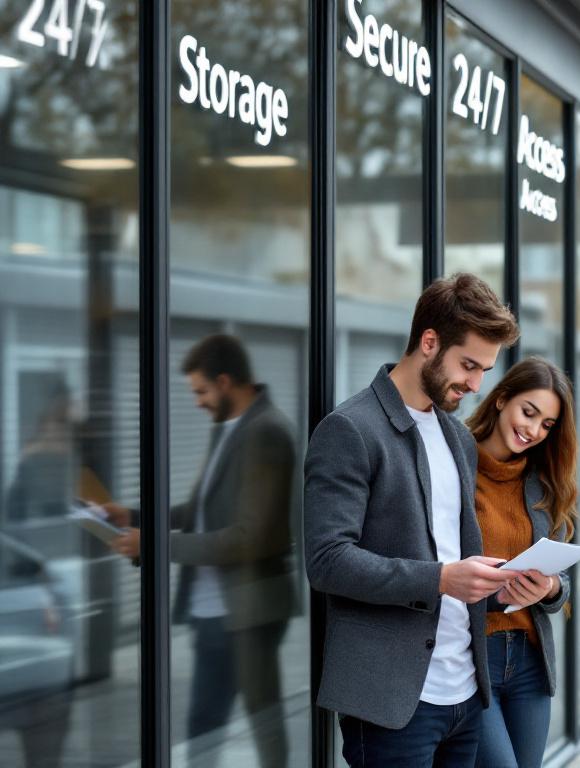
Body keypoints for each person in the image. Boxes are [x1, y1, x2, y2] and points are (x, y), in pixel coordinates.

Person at [304, 274, 521, 767]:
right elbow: (327, 561)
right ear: (429, 342)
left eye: (484, 369)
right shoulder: (349, 429)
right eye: (468, 365)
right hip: (390, 702)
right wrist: (442, 579)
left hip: (464, 691)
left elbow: (452, 550)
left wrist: (500, 585)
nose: (475, 384)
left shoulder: (458, 437)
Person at [110, 334, 298, 768]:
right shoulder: (227, 429)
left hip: (249, 613)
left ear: (226, 381)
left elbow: (248, 538)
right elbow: (198, 511)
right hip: (212, 612)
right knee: (203, 724)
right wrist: (133, 517)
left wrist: (154, 544)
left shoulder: (267, 432)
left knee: (263, 723)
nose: (197, 402)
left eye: (200, 391)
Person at [465, 357, 578, 768]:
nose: (532, 430)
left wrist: (551, 588)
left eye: (546, 424)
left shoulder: (544, 482)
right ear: (501, 399)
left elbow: (559, 576)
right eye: (528, 412)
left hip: (530, 659)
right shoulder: (456, 466)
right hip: (473, 658)